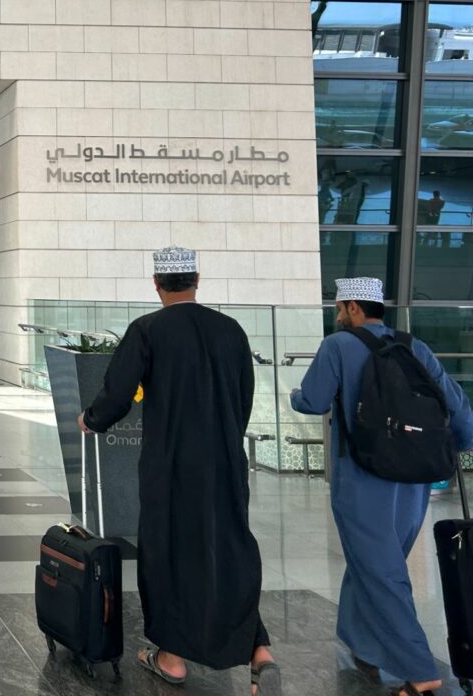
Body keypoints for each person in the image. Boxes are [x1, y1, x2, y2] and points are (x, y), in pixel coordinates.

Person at [78, 246, 279, 695]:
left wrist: (92, 420)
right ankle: (258, 646)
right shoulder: (231, 330)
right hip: (226, 460)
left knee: (168, 550)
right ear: (197, 279)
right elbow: (244, 396)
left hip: (170, 463)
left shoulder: (148, 329)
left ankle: (170, 657)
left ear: (156, 284)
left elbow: (118, 392)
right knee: (228, 546)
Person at [291, 277, 473, 696]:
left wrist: (296, 396)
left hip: (362, 481)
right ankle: (363, 645)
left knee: (382, 574)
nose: (338, 315)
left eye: (340, 308)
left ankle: (420, 671)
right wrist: (458, 447)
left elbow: (314, 401)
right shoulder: (415, 347)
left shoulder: (338, 346)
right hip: (411, 483)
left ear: (355, 308)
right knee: (372, 565)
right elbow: (456, 407)